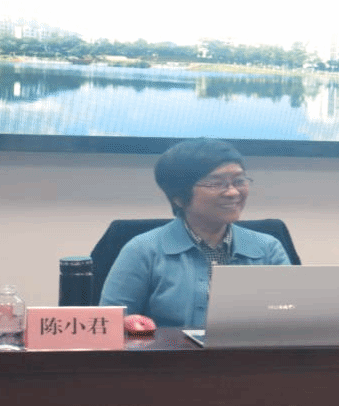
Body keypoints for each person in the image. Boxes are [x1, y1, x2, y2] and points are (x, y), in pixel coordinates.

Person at [100, 138, 290, 333]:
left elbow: (292, 317)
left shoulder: (268, 248)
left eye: (239, 181)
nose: (233, 192)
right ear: (178, 198)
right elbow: (108, 324)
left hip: (251, 352)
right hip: (169, 352)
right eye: (215, 183)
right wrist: (128, 323)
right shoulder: (143, 250)